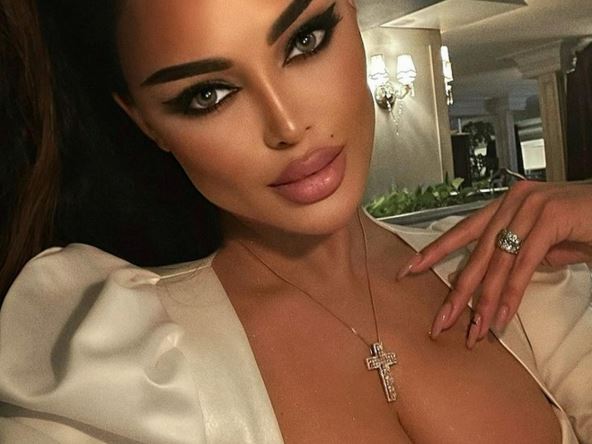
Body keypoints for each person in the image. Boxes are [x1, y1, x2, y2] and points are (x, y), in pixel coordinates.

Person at [0, 0, 591, 442]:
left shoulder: (513, 272)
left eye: (305, 41)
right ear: (145, 123)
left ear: (351, 13)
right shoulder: (116, 370)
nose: (286, 125)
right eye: (208, 95)